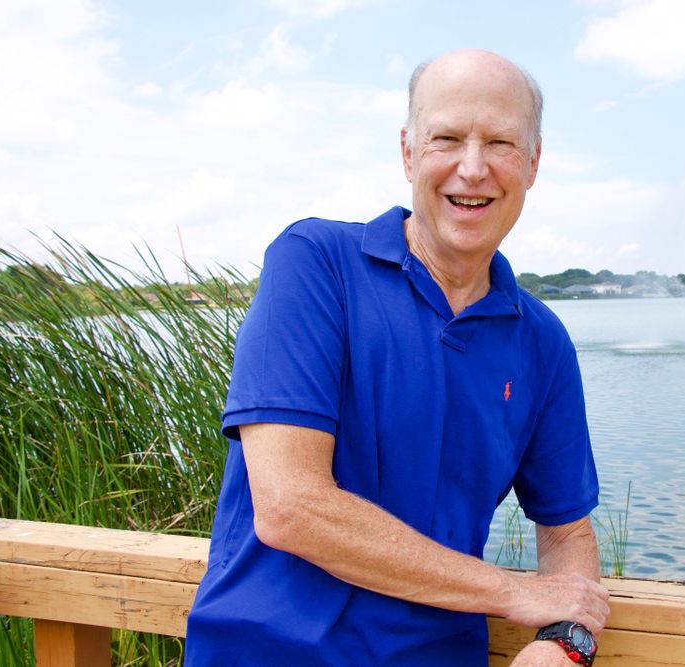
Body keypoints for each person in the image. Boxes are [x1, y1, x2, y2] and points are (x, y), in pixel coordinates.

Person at [185, 48, 609, 666]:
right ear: (409, 152)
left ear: (533, 163)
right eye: (447, 138)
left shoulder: (541, 340)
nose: (472, 168)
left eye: (499, 142)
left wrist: (563, 642)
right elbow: (291, 507)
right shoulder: (315, 263)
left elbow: (568, 530)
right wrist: (513, 592)